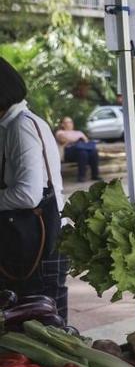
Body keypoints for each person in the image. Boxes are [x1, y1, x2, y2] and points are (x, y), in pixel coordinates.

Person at [0, 57, 68, 319]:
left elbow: (28, 195)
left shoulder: (21, 127)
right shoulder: (13, 125)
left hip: (40, 244)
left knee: (47, 327)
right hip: (31, 242)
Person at [55, 116, 101, 182]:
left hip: (81, 150)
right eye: (67, 122)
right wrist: (78, 139)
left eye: (71, 122)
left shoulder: (78, 132)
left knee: (93, 151)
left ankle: (95, 175)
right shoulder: (60, 132)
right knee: (82, 152)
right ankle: (81, 176)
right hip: (68, 152)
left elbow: (86, 142)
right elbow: (63, 140)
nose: (70, 124)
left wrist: (75, 140)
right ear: (62, 124)